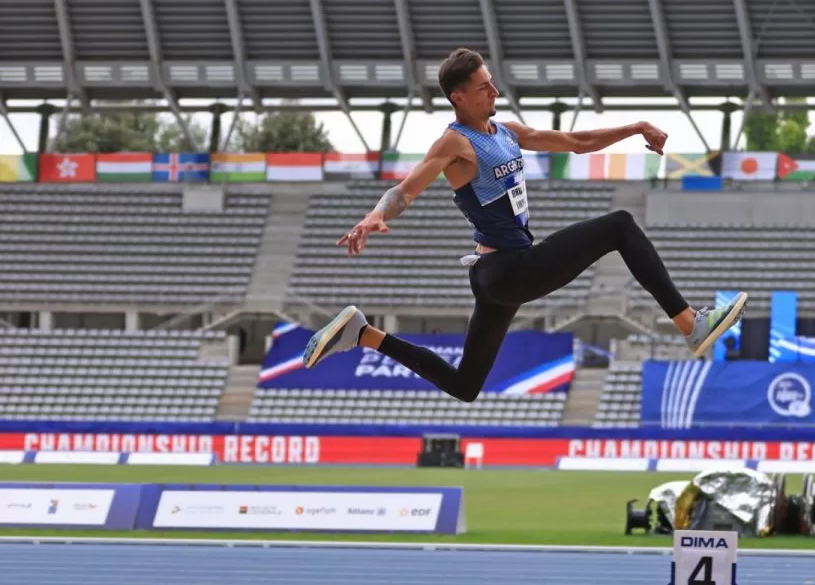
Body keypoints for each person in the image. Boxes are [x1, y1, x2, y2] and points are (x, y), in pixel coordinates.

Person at [302, 48, 747, 402]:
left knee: (465, 386)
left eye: (491, 81)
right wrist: (375, 215)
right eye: (482, 86)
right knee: (620, 225)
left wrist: (635, 127)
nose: (493, 90)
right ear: (459, 96)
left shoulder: (507, 132)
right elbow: (407, 189)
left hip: (496, 275)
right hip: (507, 269)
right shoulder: (454, 142)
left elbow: (576, 142)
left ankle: (362, 332)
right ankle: (690, 323)